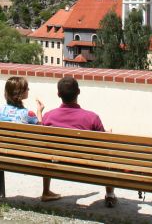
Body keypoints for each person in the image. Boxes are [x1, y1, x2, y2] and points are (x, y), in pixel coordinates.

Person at [41, 77, 117, 207]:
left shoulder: (48, 116)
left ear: (58, 94)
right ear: (79, 92)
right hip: (87, 164)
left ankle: (46, 191)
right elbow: (104, 144)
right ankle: (110, 195)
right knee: (109, 150)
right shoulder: (92, 118)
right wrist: (108, 135)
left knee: (48, 150)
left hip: (58, 161)